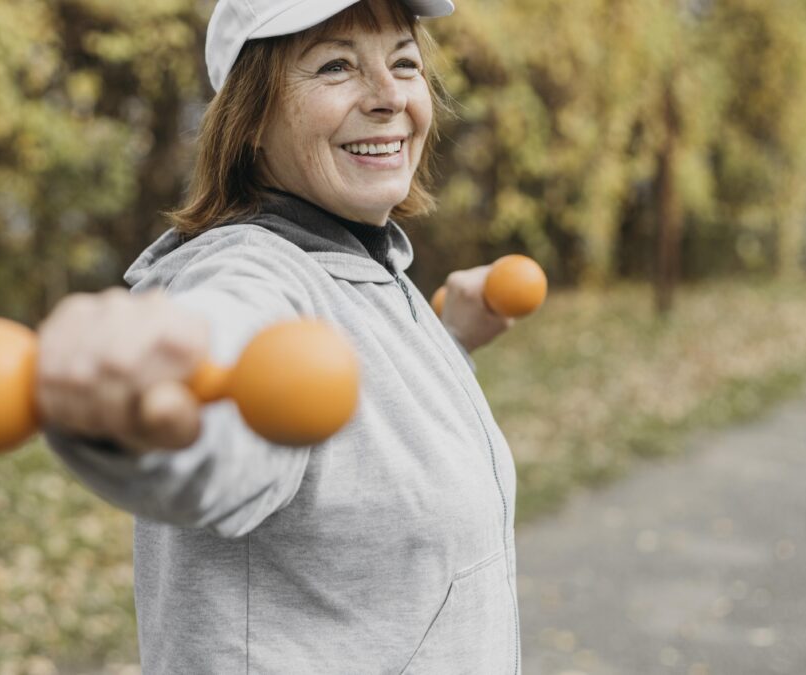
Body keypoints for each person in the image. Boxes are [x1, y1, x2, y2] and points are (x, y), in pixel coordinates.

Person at [38, 0, 522, 671]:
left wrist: (446, 343)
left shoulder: (362, 261)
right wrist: (146, 415)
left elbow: (357, 436)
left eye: (404, 63)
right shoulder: (250, 273)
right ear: (252, 120)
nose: (389, 97)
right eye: (335, 66)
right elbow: (230, 387)